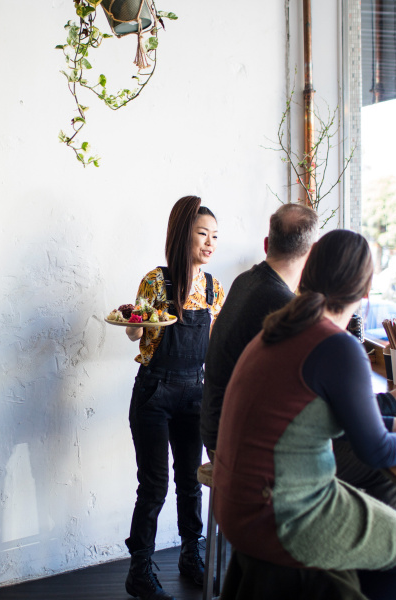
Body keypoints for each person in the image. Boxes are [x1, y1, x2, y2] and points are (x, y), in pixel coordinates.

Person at [213, 229, 396, 600]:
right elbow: (376, 451)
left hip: (237, 503)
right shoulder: (336, 345)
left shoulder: (280, 328)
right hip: (280, 512)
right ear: (366, 291)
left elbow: (339, 423)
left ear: (307, 273)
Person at [201, 203, 396, 519]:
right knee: (384, 470)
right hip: (250, 455)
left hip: (220, 432)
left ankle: (381, 542)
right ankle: (390, 544)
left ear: (267, 244)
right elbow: (342, 424)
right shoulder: (287, 312)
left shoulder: (247, 282)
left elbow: (314, 409)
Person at [123, 195, 226, 600]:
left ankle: (190, 555)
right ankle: (139, 570)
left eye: (215, 235)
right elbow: (135, 331)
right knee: (154, 485)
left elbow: (215, 344)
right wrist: (136, 323)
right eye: (202, 234)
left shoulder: (213, 288)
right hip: (155, 391)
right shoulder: (156, 281)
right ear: (183, 236)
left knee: (190, 480)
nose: (210, 242)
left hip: (195, 392)